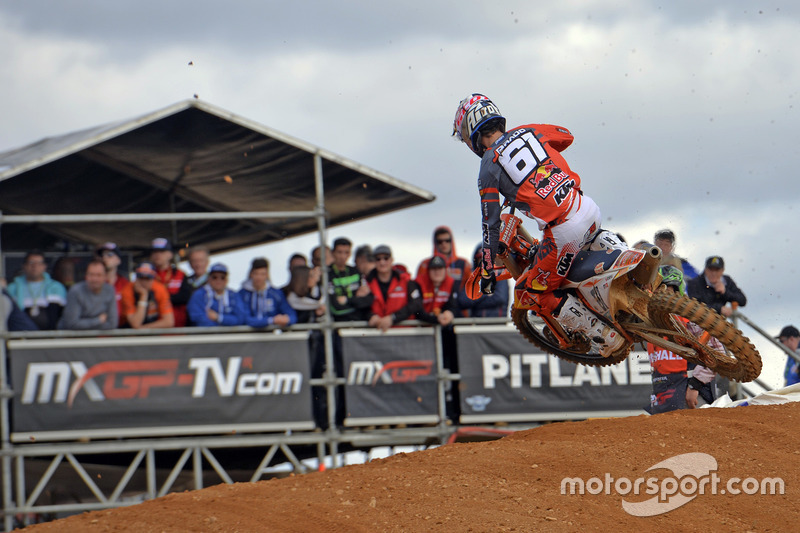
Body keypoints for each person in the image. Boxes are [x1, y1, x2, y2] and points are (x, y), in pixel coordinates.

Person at [452, 93, 622, 355]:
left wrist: (486, 270)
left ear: (470, 132)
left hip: (564, 230)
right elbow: (566, 136)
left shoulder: (488, 165)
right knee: (589, 239)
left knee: (529, 291)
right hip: (586, 206)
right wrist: (543, 159)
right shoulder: (528, 130)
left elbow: (491, 224)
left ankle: (606, 337)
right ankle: (625, 260)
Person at [646, 266, 717, 413]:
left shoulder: (690, 320)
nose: (662, 294)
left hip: (691, 394)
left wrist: (695, 386)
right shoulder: (648, 322)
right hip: (662, 395)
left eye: (667, 289)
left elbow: (715, 353)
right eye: (658, 289)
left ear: (677, 291)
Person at [366, 245, 422, 332]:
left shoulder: (405, 280)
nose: (382, 262)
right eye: (378, 259)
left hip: (403, 333)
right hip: (376, 334)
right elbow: (360, 306)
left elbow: (416, 303)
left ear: (392, 260)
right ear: (374, 261)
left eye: (386, 258)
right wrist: (371, 316)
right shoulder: (366, 282)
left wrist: (393, 318)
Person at [6, 251, 67, 330]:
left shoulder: (56, 287)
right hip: (20, 336)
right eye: (31, 262)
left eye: (39, 263)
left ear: (44, 266)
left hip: (50, 336)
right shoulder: (12, 288)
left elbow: (63, 315)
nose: (35, 266)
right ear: (24, 266)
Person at [58, 259, 118, 330]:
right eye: (91, 274)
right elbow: (72, 324)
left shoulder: (109, 290)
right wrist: (98, 320)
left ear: (105, 277)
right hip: (71, 338)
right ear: (86, 276)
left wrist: (84, 324)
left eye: (99, 275)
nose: (94, 279)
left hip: (97, 338)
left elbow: (112, 324)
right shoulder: (76, 291)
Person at [239, 258, 297, 328]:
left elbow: (292, 316)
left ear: (267, 275)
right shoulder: (242, 295)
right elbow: (245, 319)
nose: (259, 277)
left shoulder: (276, 294)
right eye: (256, 273)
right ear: (251, 274)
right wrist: (271, 320)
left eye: (262, 274)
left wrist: (286, 319)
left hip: (271, 336)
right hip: (245, 336)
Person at [457, 243, 510, 318]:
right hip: (476, 326)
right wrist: (485, 293)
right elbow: (463, 301)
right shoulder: (472, 277)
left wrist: (475, 298)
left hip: (497, 325)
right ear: (476, 260)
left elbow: (500, 298)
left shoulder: (500, 274)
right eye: (481, 258)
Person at [149, 238, 193, 327]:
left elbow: (185, 297)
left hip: (179, 329)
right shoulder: (146, 276)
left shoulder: (180, 274)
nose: (158, 255)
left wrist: (161, 298)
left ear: (170, 254)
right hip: (154, 328)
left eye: (162, 251)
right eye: (155, 252)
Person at [187, 263, 247, 327]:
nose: (218, 280)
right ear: (209, 278)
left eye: (222, 277)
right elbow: (198, 318)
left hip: (230, 335)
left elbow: (240, 319)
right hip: (205, 335)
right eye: (214, 277)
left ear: (227, 280)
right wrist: (221, 326)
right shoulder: (199, 295)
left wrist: (219, 318)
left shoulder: (234, 296)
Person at [328, 237, 373, 322]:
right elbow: (335, 306)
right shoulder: (327, 274)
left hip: (358, 322)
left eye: (346, 252)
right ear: (333, 253)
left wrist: (346, 300)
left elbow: (368, 300)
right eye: (339, 252)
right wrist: (356, 302)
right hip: (337, 323)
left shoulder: (356, 272)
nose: (343, 256)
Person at [120, 262, 174, 329]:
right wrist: (143, 296)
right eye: (141, 278)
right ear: (136, 278)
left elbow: (169, 322)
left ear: (153, 279)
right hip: (130, 333)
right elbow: (135, 323)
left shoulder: (160, 289)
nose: (144, 282)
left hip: (152, 330)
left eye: (148, 279)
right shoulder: (127, 290)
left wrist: (143, 328)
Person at [415, 255, 459, 328]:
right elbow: (417, 310)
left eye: (440, 268)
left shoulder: (451, 283)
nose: (437, 272)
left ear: (446, 270)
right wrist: (436, 319)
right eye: (434, 269)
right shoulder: (418, 283)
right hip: (420, 326)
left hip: (442, 325)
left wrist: (450, 313)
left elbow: (454, 305)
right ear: (428, 271)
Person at [96, 242, 130, 327]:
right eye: (102, 255)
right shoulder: (94, 283)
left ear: (118, 260)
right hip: (98, 330)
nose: (105, 258)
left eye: (109, 255)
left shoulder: (125, 284)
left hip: (122, 330)